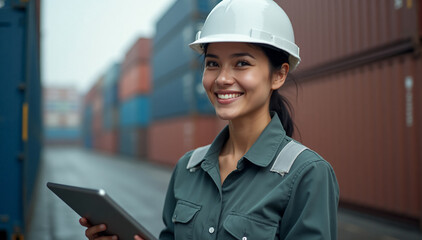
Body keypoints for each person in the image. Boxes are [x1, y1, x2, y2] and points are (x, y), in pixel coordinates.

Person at [80, 0, 339, 239]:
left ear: (278, 76)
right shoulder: (187, 168)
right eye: (213, 64)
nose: (222, 78)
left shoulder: (307, 174)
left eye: (241, 63)